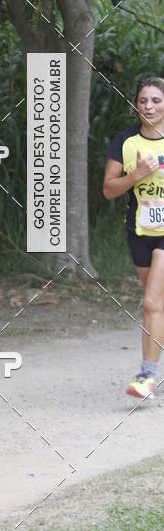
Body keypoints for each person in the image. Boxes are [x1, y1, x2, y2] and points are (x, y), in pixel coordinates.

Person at [103, 76, 164, 399]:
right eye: (143, 101)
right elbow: (109, 189)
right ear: (135, 105)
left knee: (152, 303)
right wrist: (137, 175)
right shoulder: (125, 142)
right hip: (139, 232)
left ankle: (147, 377)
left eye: (156, 100)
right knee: (159, 306)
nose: (149, 106)